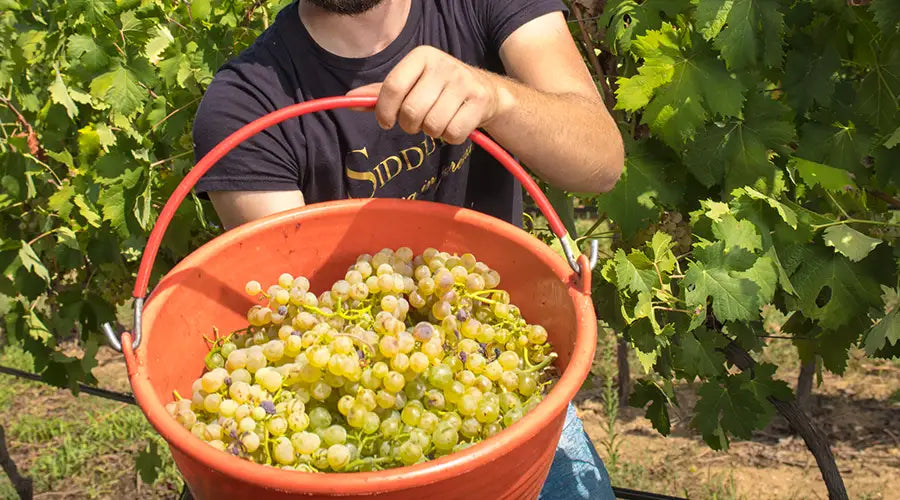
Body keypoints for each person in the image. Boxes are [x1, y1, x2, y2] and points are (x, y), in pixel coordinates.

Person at [191, 1, 624, 498]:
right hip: (371, 439)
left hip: (508, 386)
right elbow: (307, 327)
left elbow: (602, 163)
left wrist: (496, 97)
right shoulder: (243, 106)